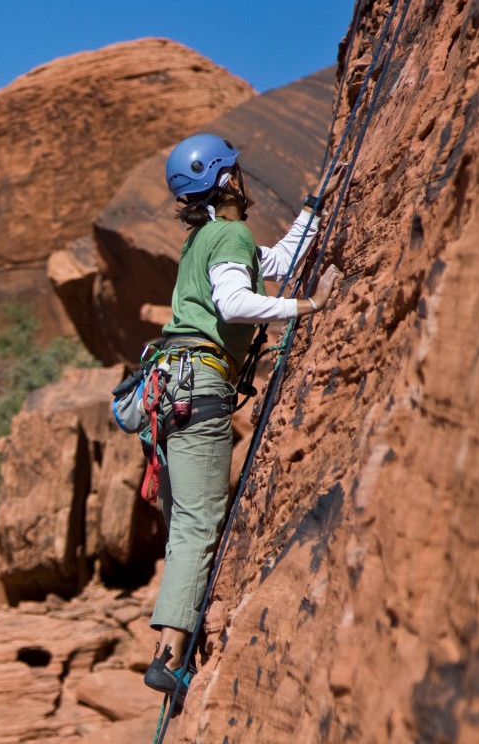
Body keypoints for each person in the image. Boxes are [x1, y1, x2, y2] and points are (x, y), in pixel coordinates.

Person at [143, 133, 343, 695]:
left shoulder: (207, 238)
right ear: (227, 180)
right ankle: (167, 655)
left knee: (184, 520)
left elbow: (270, 263)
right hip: (199, 388)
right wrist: (308, 306)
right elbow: (235, 303)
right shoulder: (228, 232)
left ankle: (167, 645)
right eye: (238, 171)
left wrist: (311, 213)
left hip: (169, 389)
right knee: (198, 523)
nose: (245, 179)